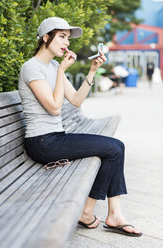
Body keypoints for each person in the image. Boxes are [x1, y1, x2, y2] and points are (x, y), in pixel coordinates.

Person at [18, 17, 142, 237]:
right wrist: (60, 72)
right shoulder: (31, 68)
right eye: (62, 37)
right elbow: (55, 108)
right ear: (46, 37)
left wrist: (92, 71)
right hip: (42, 143)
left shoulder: (54, 65)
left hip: (55, 138)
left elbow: (75, 99)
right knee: (113, 149)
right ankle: (87, 212)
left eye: (68, 38)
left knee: (117, 147)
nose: (67, 43)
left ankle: (115, 214)